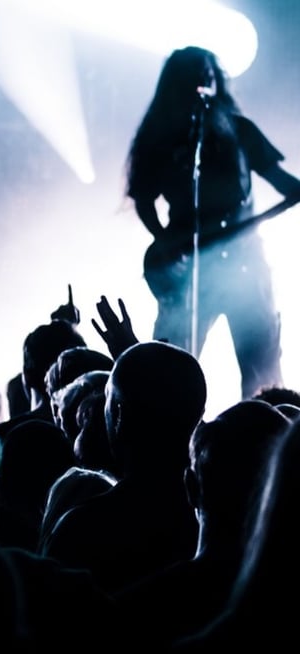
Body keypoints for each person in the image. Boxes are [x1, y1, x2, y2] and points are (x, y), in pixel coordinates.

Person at [127, 46, 300, 399]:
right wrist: (166, 242)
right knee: (171, 369)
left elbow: (282, 180)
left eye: (209, 76)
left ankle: (268, 427)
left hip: (245, 268)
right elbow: (143, 199)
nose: (204, 83)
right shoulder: (160, 138)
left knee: (262, 371)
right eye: (195, 77)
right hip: (189, 273)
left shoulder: (240, 131)